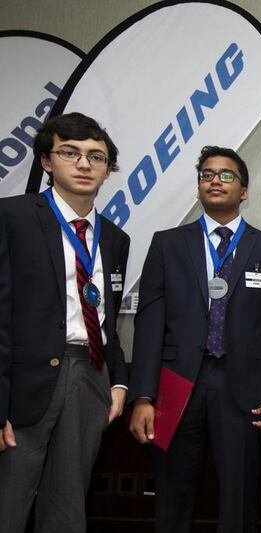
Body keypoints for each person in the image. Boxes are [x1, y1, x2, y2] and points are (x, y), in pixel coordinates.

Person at [128, 146, 261, 533]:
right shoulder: (167, 244)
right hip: (176, 384)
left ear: (245, 191)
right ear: (199, 186)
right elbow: (150, 324)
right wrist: (142, 396)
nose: (215, 180)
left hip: (244, 389)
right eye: (206, 174)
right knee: (173, 494)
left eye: (226, 175)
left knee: (239, 498)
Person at [0, 112, 130, 533]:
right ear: (45, 161)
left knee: (68, 507)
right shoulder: (12, 217)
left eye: (97, 156)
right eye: (70, 152)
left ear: (108, 169)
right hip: (23, 382)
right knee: (8, 502)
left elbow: (105, 315)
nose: (84, 163)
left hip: (90, 375)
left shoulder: (114, 238)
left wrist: (117, 381)